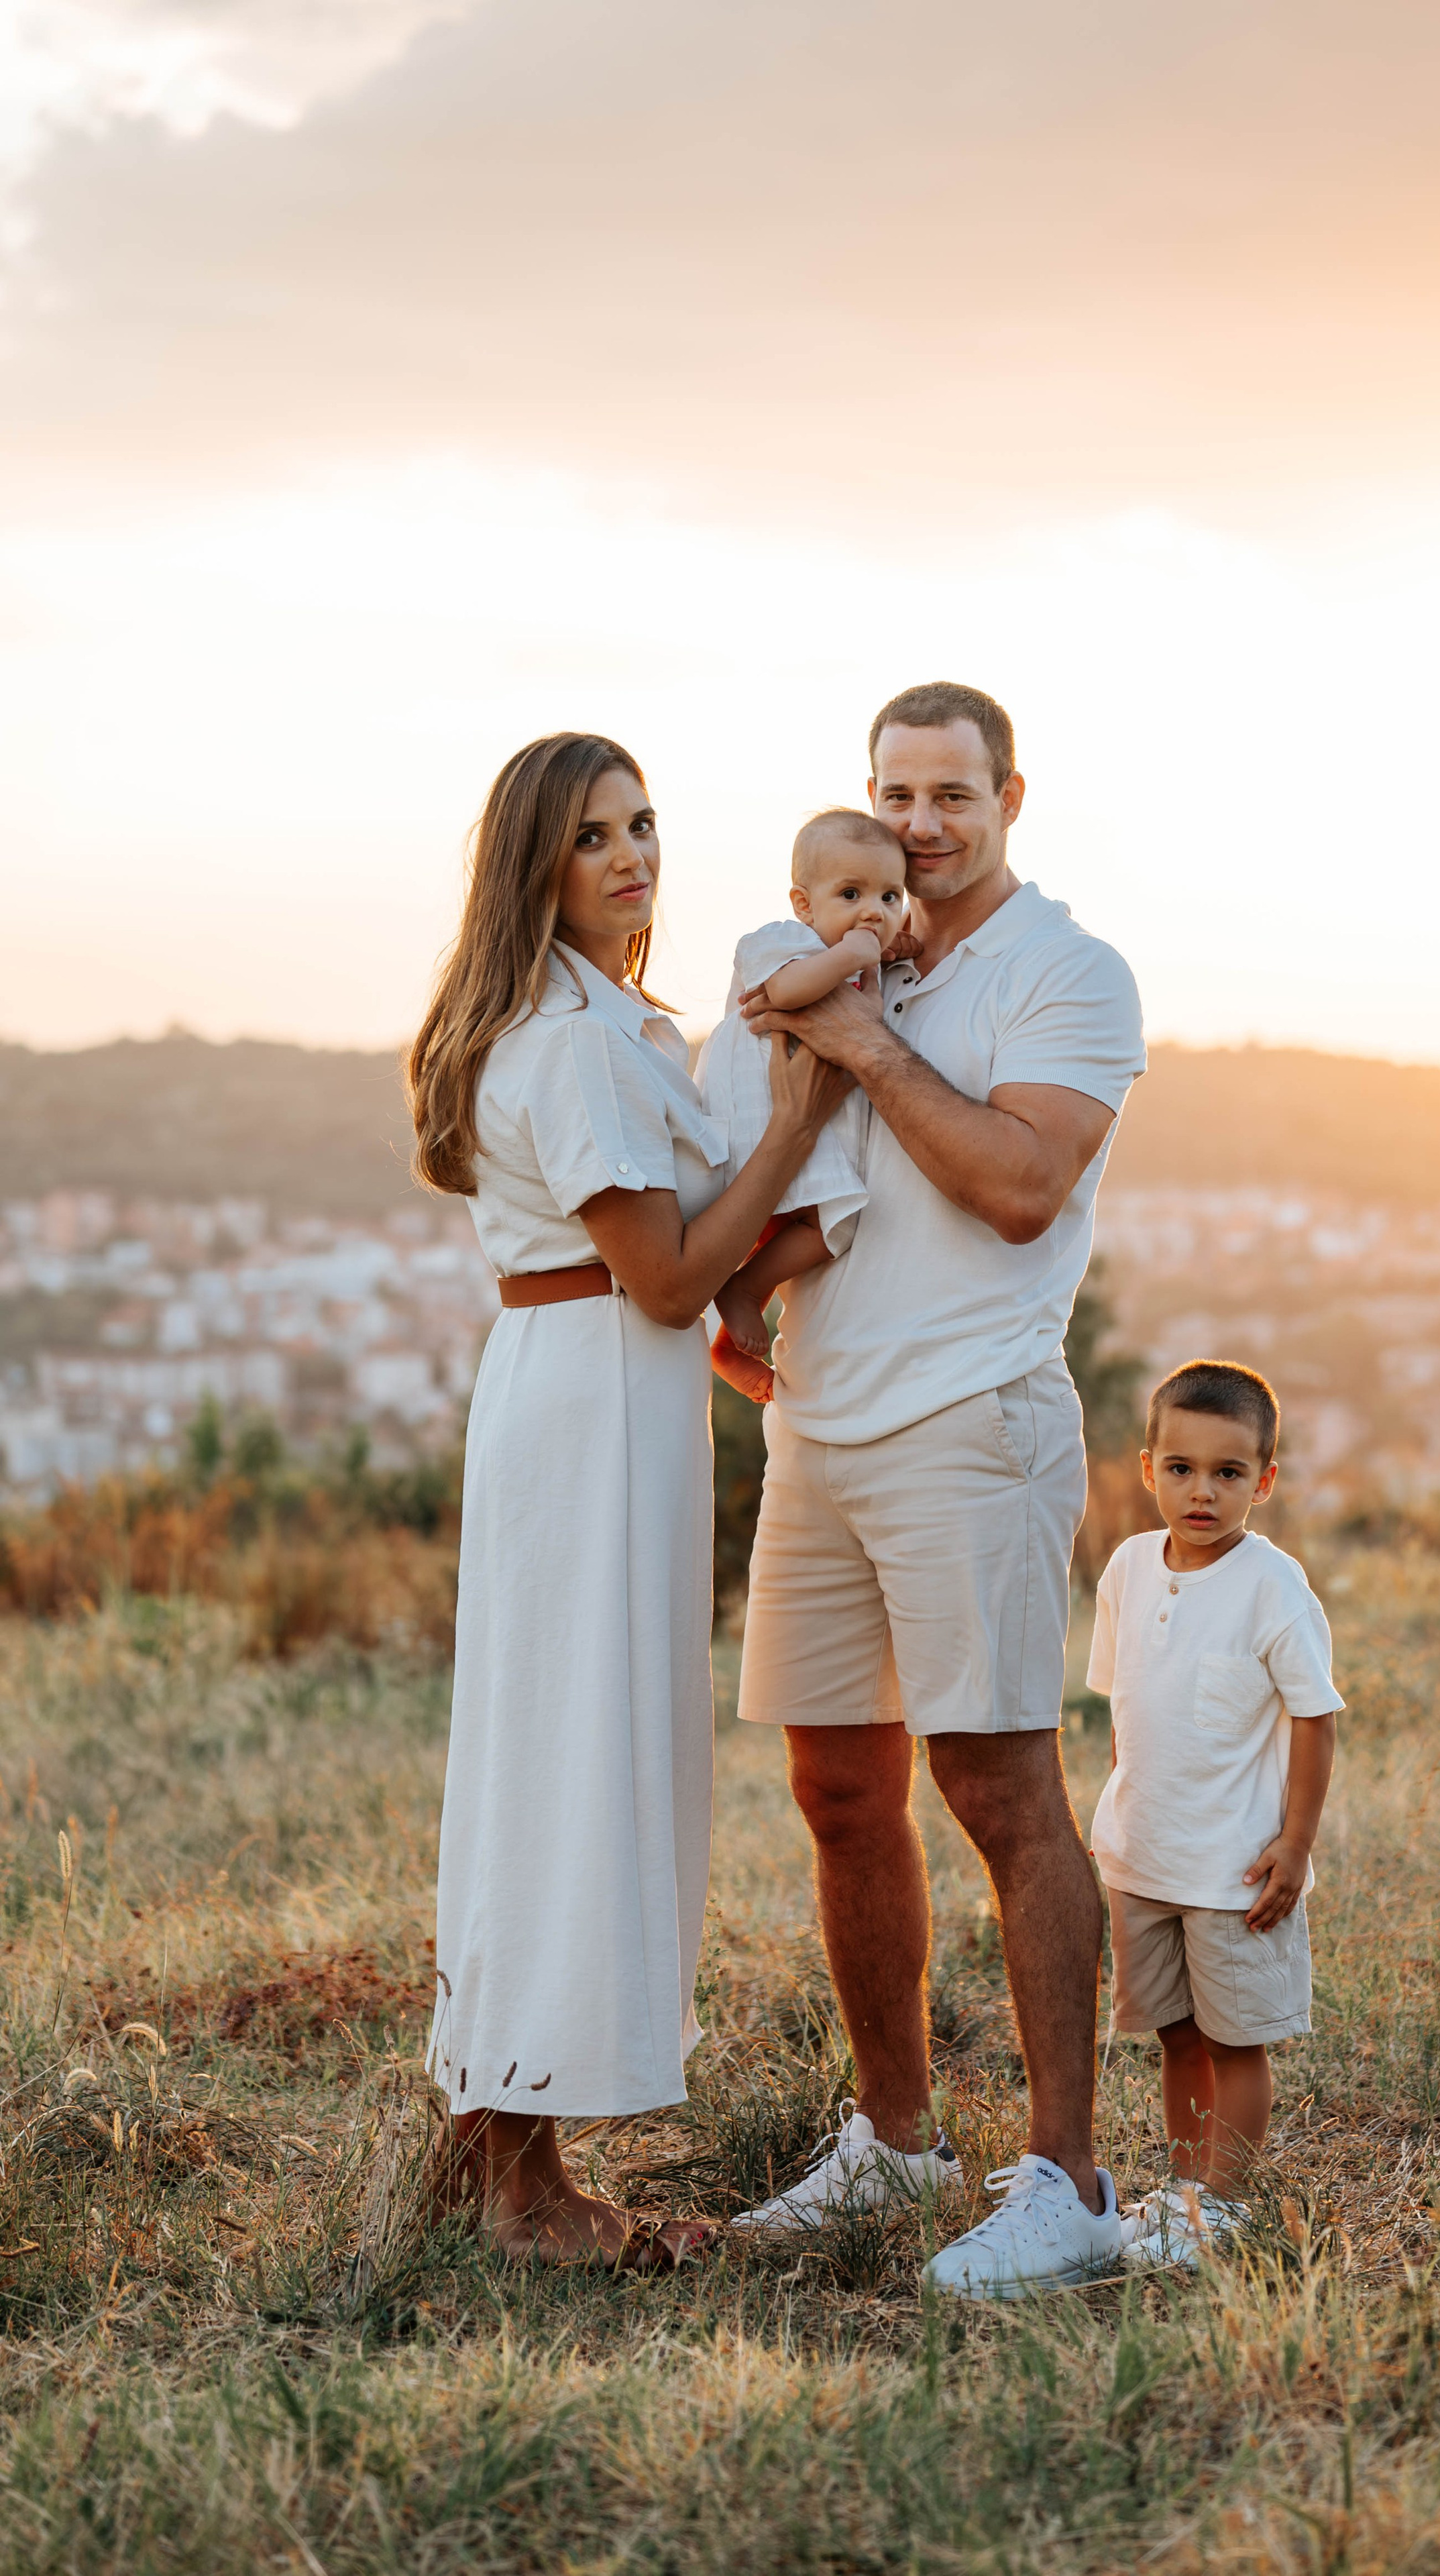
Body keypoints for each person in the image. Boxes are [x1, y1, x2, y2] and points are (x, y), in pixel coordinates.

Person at [729, 680, 1148, 2300]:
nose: (920, 822)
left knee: (995, 1789)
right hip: (817, 1428)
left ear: (1009, 796)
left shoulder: (1064, 972)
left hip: (972, 1421)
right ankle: (890, 2141)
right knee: (836, 1788)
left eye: (950, 794)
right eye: (895, 792)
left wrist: (860, 1038)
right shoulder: (840, 942)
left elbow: (1020, 1184)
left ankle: (1066, 2182)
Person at [406, 731, 846, 2269]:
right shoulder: (578, 1042)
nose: (632, 853)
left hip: (580, 1386)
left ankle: (496, 2139)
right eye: (593, 833)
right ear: (534, 861)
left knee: (553, 1744)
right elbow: (664, 1278)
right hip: (594, 1387)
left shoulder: (592, 1024)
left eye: (643, 824)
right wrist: (796, 1128)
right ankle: (523, 2179)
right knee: (572, 1751)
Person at [1082, 1359, 1342, 2274]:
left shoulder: (1274, 1585)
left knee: (1236, 2041)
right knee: (1177, 2036)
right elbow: (1126, 1714)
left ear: (1263, 1482)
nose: (1203, 1491)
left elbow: (1315, 1717)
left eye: (1229, 1473)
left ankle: (1221, 2206)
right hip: (1143, 1859)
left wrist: (1295, 1848)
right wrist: (1122, 1820)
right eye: (1182, 1468)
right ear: (1147, 1466)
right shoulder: (1125, 1570)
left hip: (1235, 1868)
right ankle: (1182, 2191)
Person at [698, 808, 920, 1401]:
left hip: (803, 1120)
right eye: (850, 893)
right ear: (803, 903)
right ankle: (740, 1295)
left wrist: (882, 951)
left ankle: (730, 1332)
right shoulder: (781, 941)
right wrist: (855, 955)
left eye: (890, 895)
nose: (873, 911)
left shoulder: (854, 958)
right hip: (754, 1115)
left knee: (821, 1229)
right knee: (786, 1223)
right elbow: (788, 990)